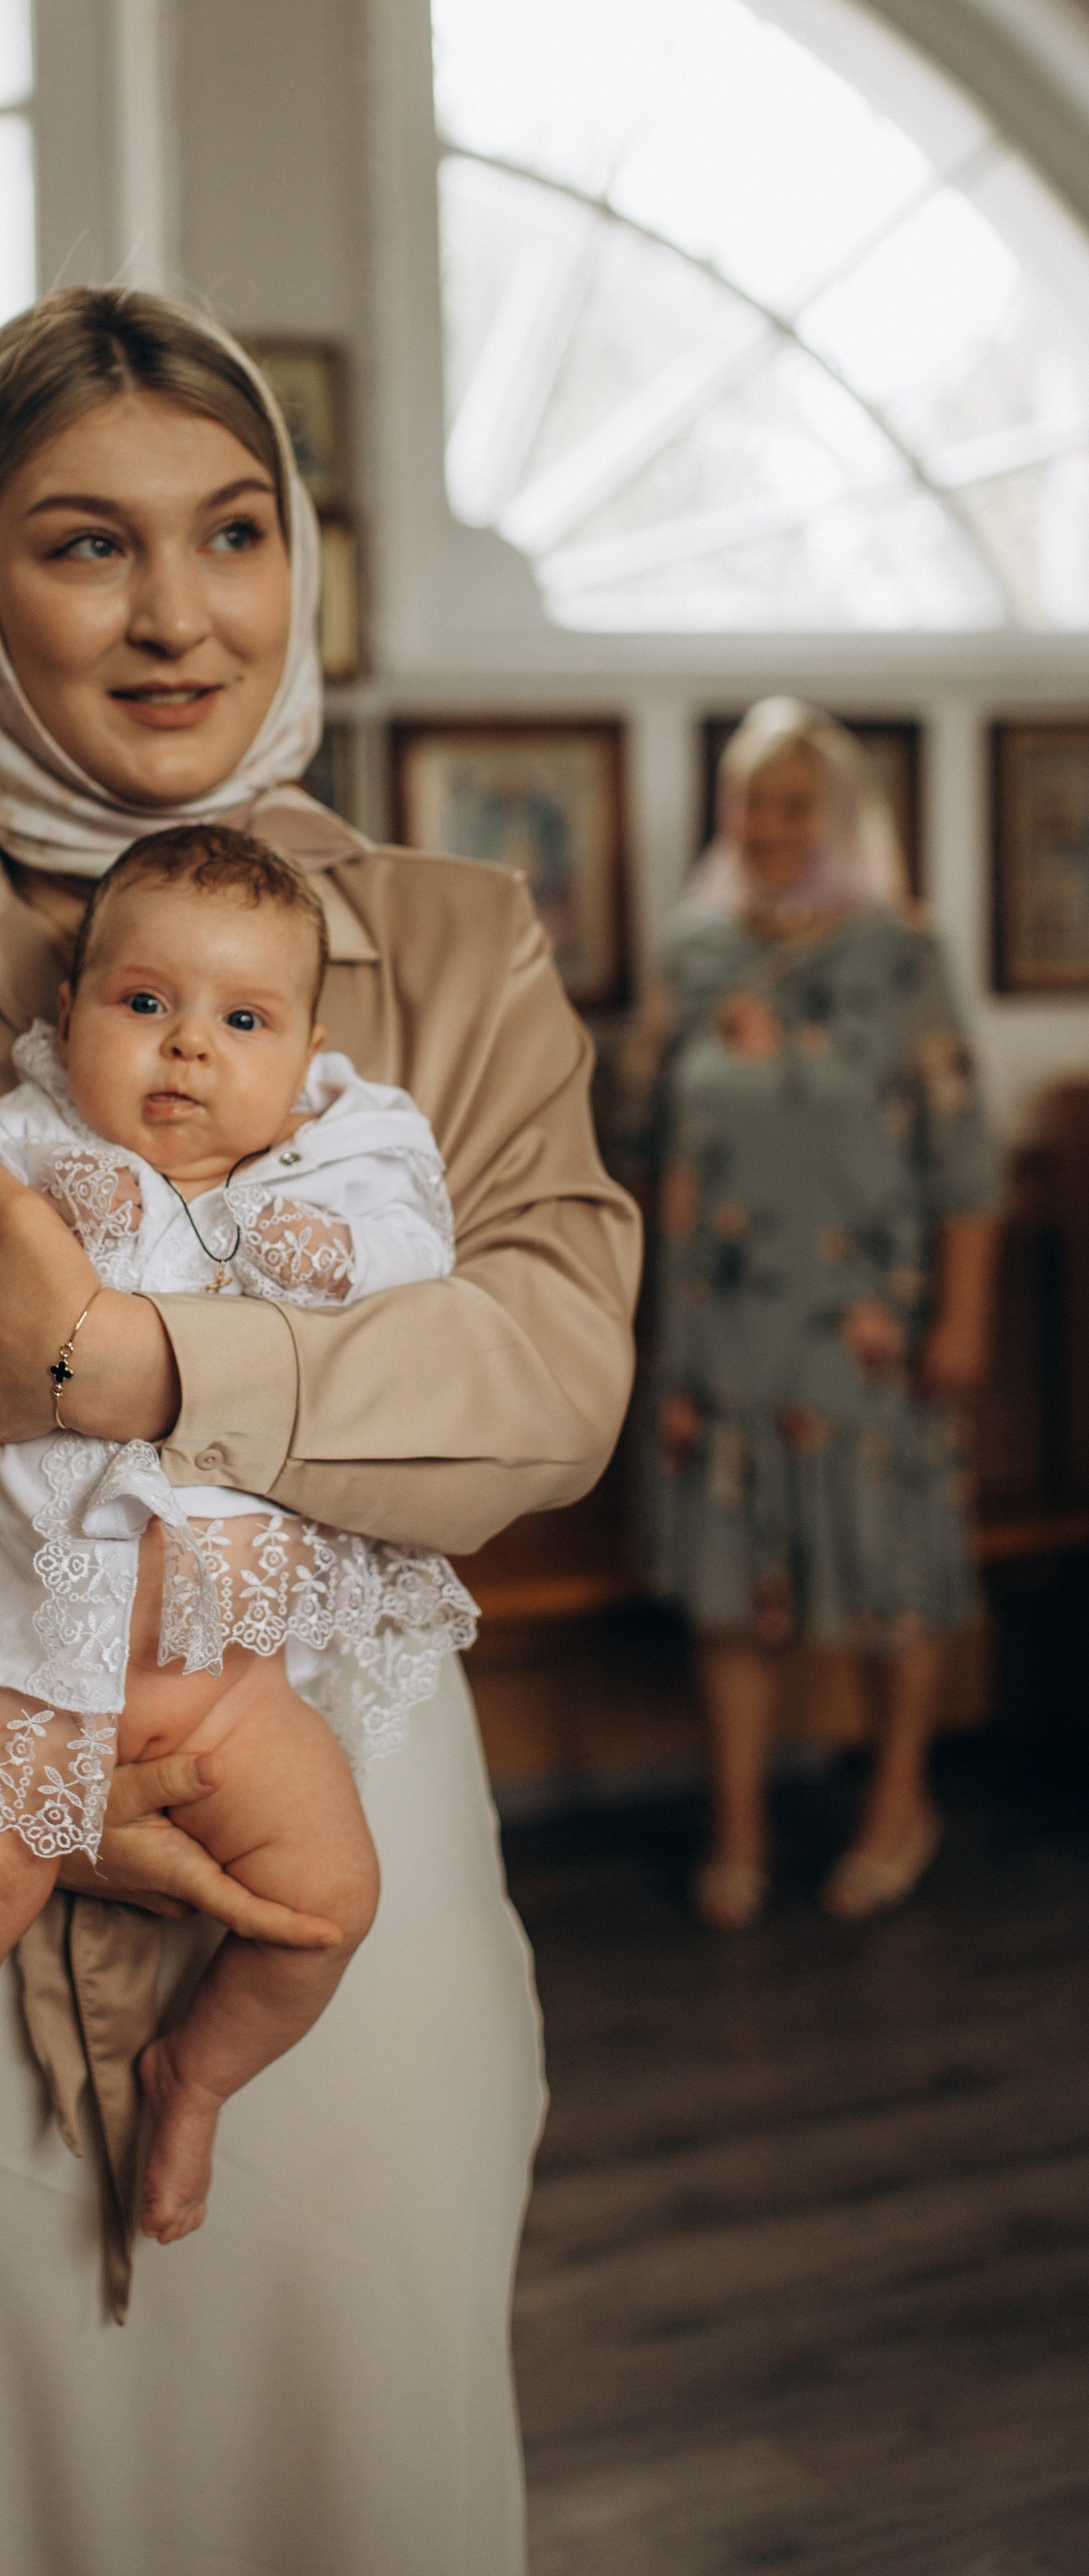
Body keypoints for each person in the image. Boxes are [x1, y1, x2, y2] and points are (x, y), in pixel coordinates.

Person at [0, 286, 639, 2575]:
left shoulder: (459, 950)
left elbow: (550, 1386)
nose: (181, 615)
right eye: (87, 545)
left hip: (325, 1911)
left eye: (236, 531)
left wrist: (135, 1372)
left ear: (302, 561)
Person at [0, 822, 475, 2294]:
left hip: (229, 1686)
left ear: (307, 1055)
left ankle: (197, 2077)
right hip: (26, 1659)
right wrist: (43, 1219)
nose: (188, 1048)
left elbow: (418, 1251)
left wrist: (334, 1254)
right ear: (69, 1016)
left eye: (243, 1022)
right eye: (144, 1004)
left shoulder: (342, 1149)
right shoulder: (25, 1138)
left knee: (325, 1906)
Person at [621, 699, 998, 1931]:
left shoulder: (902, 950)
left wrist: (964, 1318)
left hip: (867, 1322)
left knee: (895, 1570)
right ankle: (737, 1822)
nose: (771, 827)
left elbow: (963, 1150)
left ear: (839, 817)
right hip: (718, 1325)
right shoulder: (690, 950)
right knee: (730, 1586)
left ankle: (899, 1801)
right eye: (752, 803)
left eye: (796, 805)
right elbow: (645, 1140)